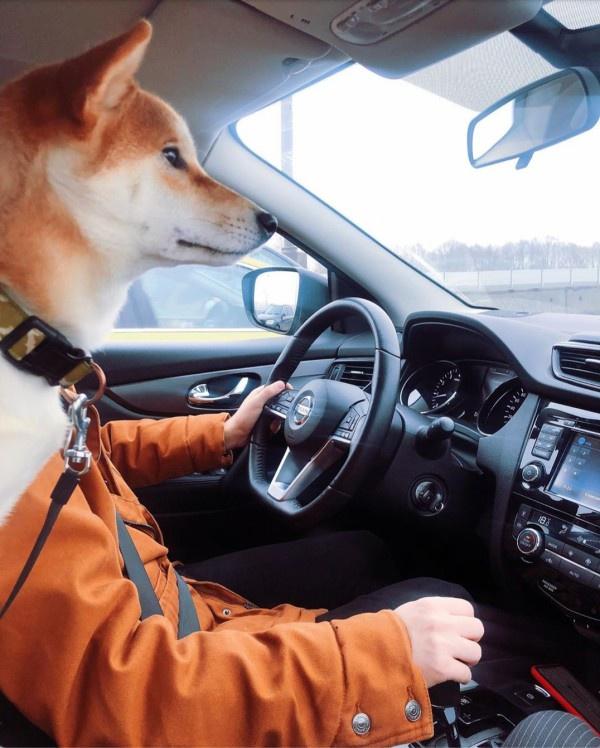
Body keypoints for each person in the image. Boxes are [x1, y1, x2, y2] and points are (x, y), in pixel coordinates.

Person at [0, 379, 484, 747]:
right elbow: (124, 696)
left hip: (162, 599)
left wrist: (220, 433)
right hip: (167, 662)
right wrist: (382, 659)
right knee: (448, 603)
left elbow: (90, 451)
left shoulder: (21, 393)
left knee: (365, 553)